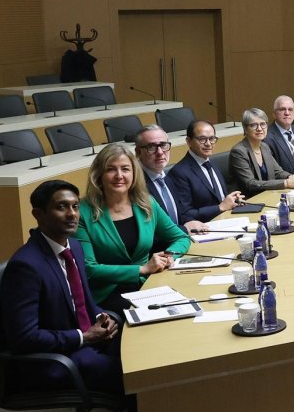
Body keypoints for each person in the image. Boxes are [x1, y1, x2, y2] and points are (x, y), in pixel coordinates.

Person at [1, 180, 123, 395]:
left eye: (75, 206)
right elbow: (24, 338)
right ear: (38, 214)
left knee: (142, 348)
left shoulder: (74, 246)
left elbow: (83, 301)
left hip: (86, 340)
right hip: (58, 358)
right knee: (133, 373)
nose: (72, 214)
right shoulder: (26, 266)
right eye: (61, 207)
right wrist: (83, 336)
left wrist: (101, 317)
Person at [76, 143, 192, 311]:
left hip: (148, 283)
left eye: (125, 169)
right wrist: (141, 269)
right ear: (99, 174)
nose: (119, 175)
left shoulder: (146, 203)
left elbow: (181, 237)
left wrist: (169, 256)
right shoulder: (82, 212)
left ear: (134, 173)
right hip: (108, 293)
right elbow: (88, 269)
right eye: (111, 169)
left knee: (187, 301)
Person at [133, 125, 207, 235]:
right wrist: (184, 229)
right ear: (138, 152)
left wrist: (194, 224)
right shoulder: (135, 186)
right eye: (151, 147)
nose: (160, 152)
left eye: (163, 145)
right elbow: (150, 231)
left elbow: (178, 215)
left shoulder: (167, 179)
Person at [167, 120, 245, 224]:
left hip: (227, 219)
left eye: (212, 139)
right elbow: (185, 214)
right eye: (202, 139)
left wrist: (232, 200)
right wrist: (220, 207)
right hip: (205, 227)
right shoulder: (179, 173)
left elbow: (218, 197)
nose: (208, 144)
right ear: (189, 141)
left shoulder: (210, 162)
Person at [228, 108, 294, 195]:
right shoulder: (238, 152)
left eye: (263, 124)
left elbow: (277, 172)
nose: (259, 128)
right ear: (245, 128)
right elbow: (250, 183)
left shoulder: (264, 146)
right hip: (247, 199)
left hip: (267, 195)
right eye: (253, 125)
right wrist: (285, 183)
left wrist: (291, 177)